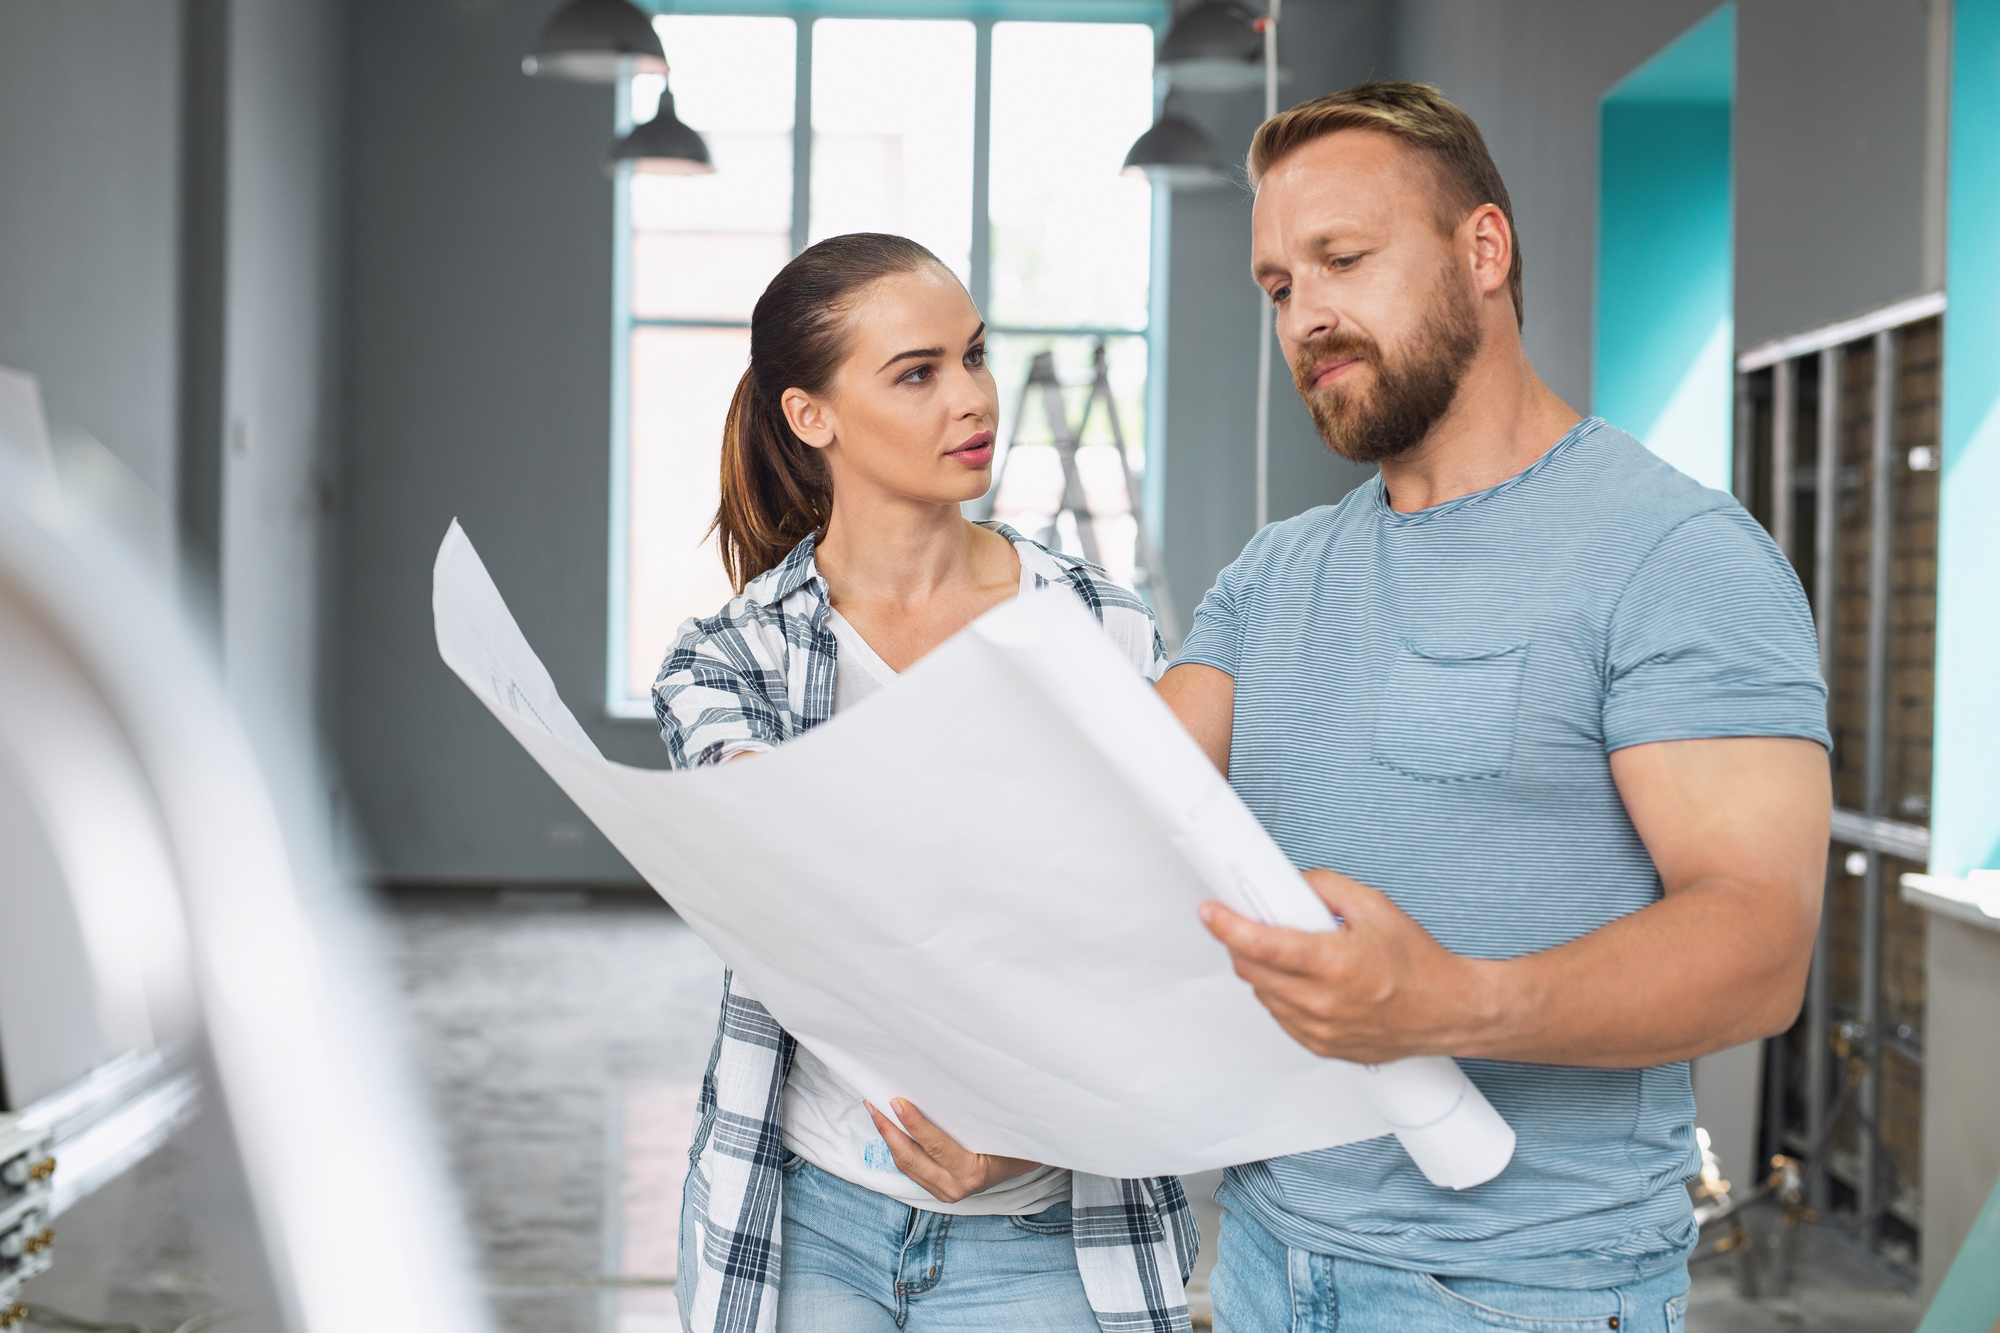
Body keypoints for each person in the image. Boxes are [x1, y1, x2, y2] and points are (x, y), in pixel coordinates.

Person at [1156, 83, 1831, 1332]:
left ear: (1481, 249)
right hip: (1258, 1257)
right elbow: (1112, 815)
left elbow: (1757, 948)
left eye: (1340, 260)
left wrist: (1449, 1003)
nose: (1306, 314)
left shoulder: (1672, 553)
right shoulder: (1270, 574)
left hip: (1520, 1289)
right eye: (1276, 287)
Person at [652, 232, 1198, 1333]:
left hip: (1050, 1226)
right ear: (812, 416)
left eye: (975, 356)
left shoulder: (1103, 626)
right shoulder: (728, 659)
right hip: (808, 1215)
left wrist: (1026, 1137)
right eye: (917, 372)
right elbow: (778, 875)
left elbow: (1163, 947)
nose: (972, 399)